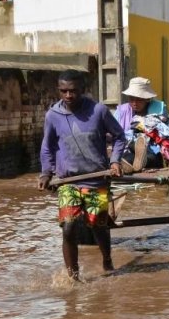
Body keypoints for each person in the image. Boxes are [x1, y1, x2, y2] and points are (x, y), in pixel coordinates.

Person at [38, 69, 126, 280]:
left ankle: (106, 259)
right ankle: (73, 278)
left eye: (73, 91)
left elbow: (119, 136)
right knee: (68, 225)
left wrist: (114, 161)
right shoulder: (53, 116)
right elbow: (47, 147)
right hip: (68, 181)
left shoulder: (99, 111)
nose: (68, 96)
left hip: (97, 179)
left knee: (98, 224)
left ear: (83, 90)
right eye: (64, 91)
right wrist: (45, 173)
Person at [114, 77, 169, 172]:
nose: (134, 103)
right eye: (131, 99)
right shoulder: (122, 111)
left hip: (153, 152)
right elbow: (111, 131)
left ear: (147, 99)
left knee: (151, 156)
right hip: (128, 149)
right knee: (128, 154)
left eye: (139, 99)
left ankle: (140, 161)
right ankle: (129, 164)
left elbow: (168, 133)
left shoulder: (159, 110)